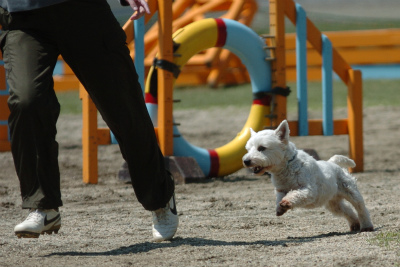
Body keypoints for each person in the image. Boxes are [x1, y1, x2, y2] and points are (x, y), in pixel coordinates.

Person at [0, 0, 178, 242]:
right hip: (23, 17)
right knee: (27, 102)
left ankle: (160, 198)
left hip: (84, 11)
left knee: (123, 108)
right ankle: (43, 205)